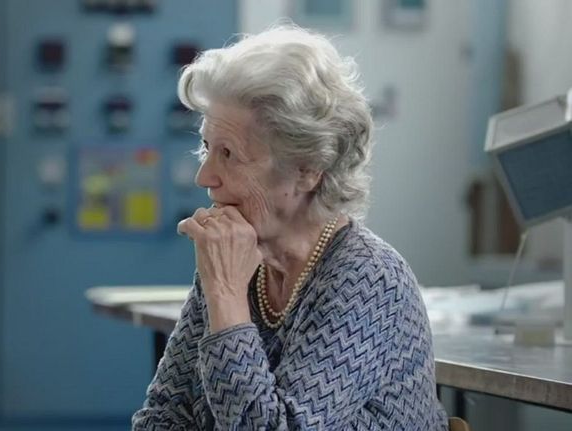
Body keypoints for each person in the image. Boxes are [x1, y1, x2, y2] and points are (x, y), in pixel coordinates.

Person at [132, 24, 449, 430]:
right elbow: (161, 416)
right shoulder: (239, 260)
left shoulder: (368, 280)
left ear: (307, 170)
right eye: (207, 148)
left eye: (228, 154)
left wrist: (226, 297)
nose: (204, 177)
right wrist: (224, 289)